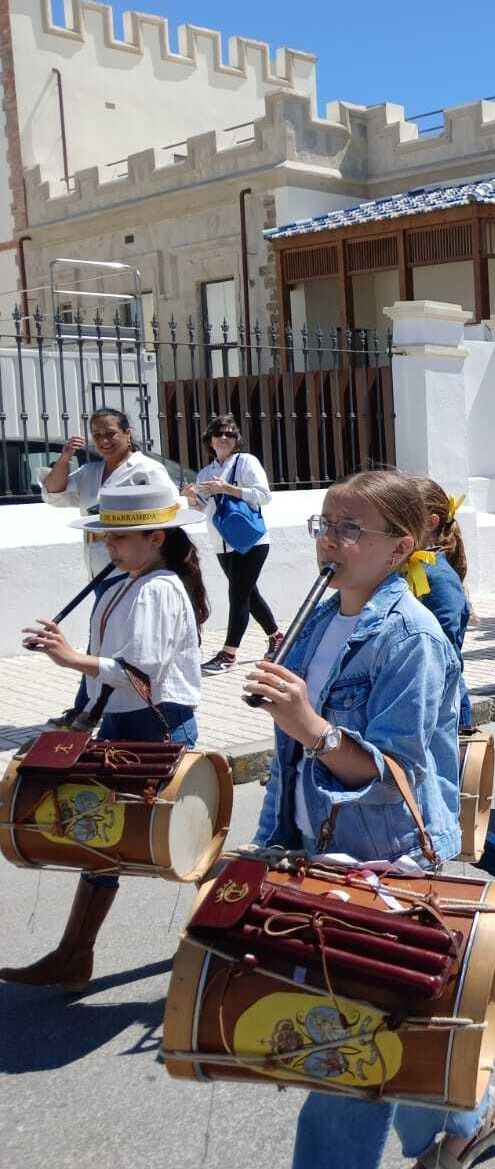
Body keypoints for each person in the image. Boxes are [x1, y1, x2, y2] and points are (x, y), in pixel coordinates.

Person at [243, 469, 495, 1169]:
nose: (330, 541)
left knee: (343, 1050)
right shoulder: (319, 620)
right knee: (392, 1022)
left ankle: (461, 1116)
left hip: (385, 857)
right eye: (325, 525)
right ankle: (473, 1112)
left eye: (349, 529)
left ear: (399, 548)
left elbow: (395, 776)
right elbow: (295, 755)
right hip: (319, 850)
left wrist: (309, 724)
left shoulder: (411, 637)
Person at [2, 474, 209, 993]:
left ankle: (231, 934)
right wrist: (80, 703)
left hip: (156, 725)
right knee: (104, 835)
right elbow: (114, 671)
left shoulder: (157, 588)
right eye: (105, 535)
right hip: (125, 722)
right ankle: (74, 955)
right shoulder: (130, 583)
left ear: (156, 537)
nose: (107, 544)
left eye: (118, 536)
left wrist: (70, 656)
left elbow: (140, 673)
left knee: (179, 843)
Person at [413, 477, 495, 898]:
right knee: (428, 805)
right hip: (424, 703)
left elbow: (443, 653)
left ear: (431, 522)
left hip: (438, 706)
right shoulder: (413, 568)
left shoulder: (436, 578)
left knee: (432, 805)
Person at [39, 407, 179, 725]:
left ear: (128, 433)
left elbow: (169, 509)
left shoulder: (147, 469)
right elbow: (54, 493)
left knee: (101, 637)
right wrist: (65, 457)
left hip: (130, 566)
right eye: (97, 435)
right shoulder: (91, 472)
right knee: (105, 637)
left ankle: (86, 708)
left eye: (111, 433)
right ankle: (95, 705)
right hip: (99, 564)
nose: (104, 440)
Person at [183, 413, 283, 674]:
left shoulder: (246, 462)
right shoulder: (205, 472)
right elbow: (201, 507)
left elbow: (264, 496)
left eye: (230, 434)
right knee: (249, 594)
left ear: (237, 439)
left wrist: (228, 489)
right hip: (222, 543)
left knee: (237, 595)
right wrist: (191, 496)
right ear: (210, 440)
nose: (224, 438)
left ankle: (229, 654)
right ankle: (277, 638)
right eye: (219, 434)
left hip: (251, 541)